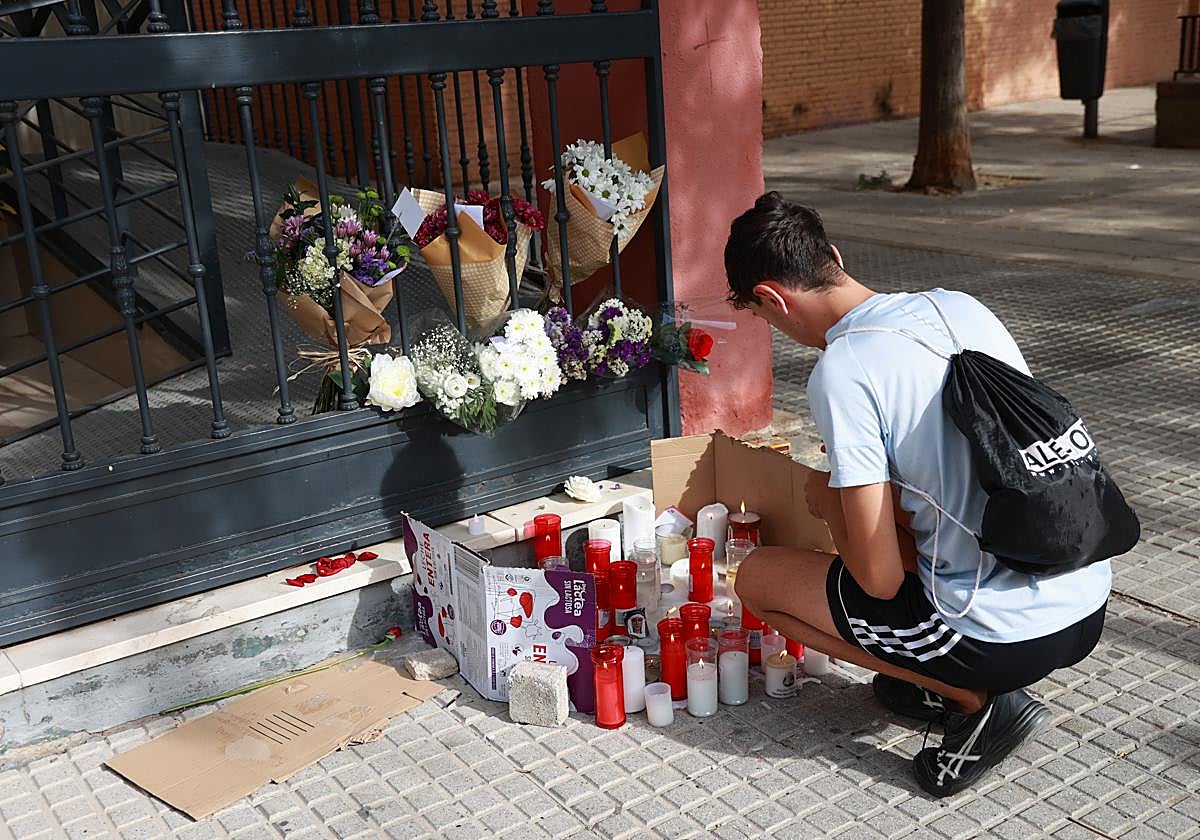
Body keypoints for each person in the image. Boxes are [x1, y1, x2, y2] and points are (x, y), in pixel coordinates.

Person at [726, 192, 1110, 797]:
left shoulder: (843, 368)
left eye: (765, 317)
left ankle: (975, 699)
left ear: (772, 299)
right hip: (1085, 598)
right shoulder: (958, 303)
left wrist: (829, 502)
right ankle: (931, 678)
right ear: (834, 256)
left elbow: (878, 580)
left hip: (1002, 633)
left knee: (756, 580)